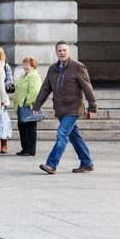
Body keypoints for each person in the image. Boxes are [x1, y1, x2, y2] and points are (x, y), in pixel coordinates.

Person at [34, 42, 97, 174]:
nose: (62, 53)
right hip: (60, 109)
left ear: (69, 52)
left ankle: (51, 164)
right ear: (56, 52)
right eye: (59, 51)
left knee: (62, 133)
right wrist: (37, 105)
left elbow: (88, 88)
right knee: (75, 137)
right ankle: (87, 163)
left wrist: (92, 107)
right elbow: (45, 88)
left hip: (74, 108)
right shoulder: (52, 69)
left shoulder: (78, 67)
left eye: (64, 50)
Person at [14, 56, 42, 157]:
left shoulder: (34, 76)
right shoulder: (24, 75)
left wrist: (26, 103)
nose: (25, 67)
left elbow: (34, 92)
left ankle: (31, 150)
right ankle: (25, 149)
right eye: (24, 64)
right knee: (22, 128)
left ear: (33, 66)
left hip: (28, 107)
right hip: (20, 106)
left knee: (30, 128)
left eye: (27, 65)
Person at [0, 46, 16, 154]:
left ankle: (4, 144)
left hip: (2, 97)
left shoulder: (5, 66)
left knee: (3, 121)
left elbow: (10, 80)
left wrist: (2, 85)